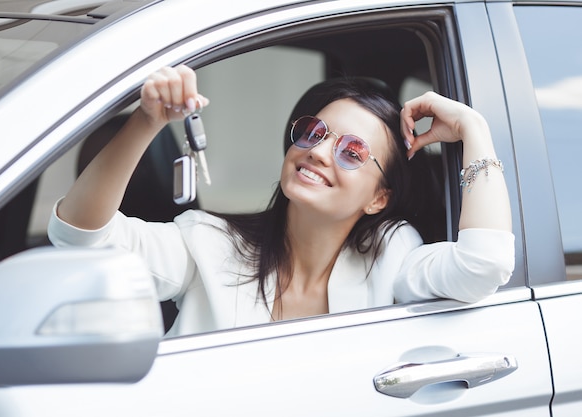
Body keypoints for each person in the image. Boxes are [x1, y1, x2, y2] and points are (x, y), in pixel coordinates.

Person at [48, 65, 514, 337]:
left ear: (379, 198)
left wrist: (475, 131)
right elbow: (80, 237)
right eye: (314, 132)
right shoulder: (212, 243)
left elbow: (484, 265)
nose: (316, 150)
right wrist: (148, 121)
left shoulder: (392, 256)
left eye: (352, 152)